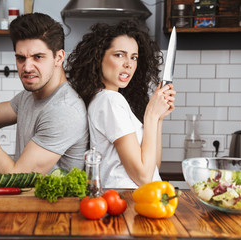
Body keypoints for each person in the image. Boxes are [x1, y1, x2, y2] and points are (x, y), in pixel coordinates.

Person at [0, 13, 89, 175]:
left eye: (38, 57)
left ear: (59, 58)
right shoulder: (29, 96)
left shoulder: (65, 109)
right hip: (26, 199)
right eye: (21, 58)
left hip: (52, 201)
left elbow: (16, 178)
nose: (27, 67)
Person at [66, 21, 176, 188]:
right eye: (119, 55)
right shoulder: (110, 101)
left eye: (134, 57)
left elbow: (153, 169)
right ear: (98, 57)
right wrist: (151, 115)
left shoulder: (107, 99)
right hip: (127, 201)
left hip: (137, 200)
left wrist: (158, 119)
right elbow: (144, 178)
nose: (129, 64)